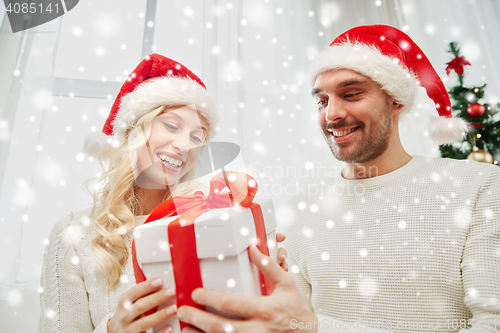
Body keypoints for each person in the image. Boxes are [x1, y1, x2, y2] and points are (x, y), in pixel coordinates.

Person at [176, 25, 500, 333]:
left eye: (351, 94)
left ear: (396, 100)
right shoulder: (302, 209)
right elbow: (289, 320)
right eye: (322, 100)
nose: (331, 114)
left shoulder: (479, 185)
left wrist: (313, 327)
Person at [38, 53, 289, 333]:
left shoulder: (211, 223)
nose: (184, 145)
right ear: (134, 130)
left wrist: (261, 280)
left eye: (197, 137)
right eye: (171, 126)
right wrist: (111, 330)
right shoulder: (71, 236)